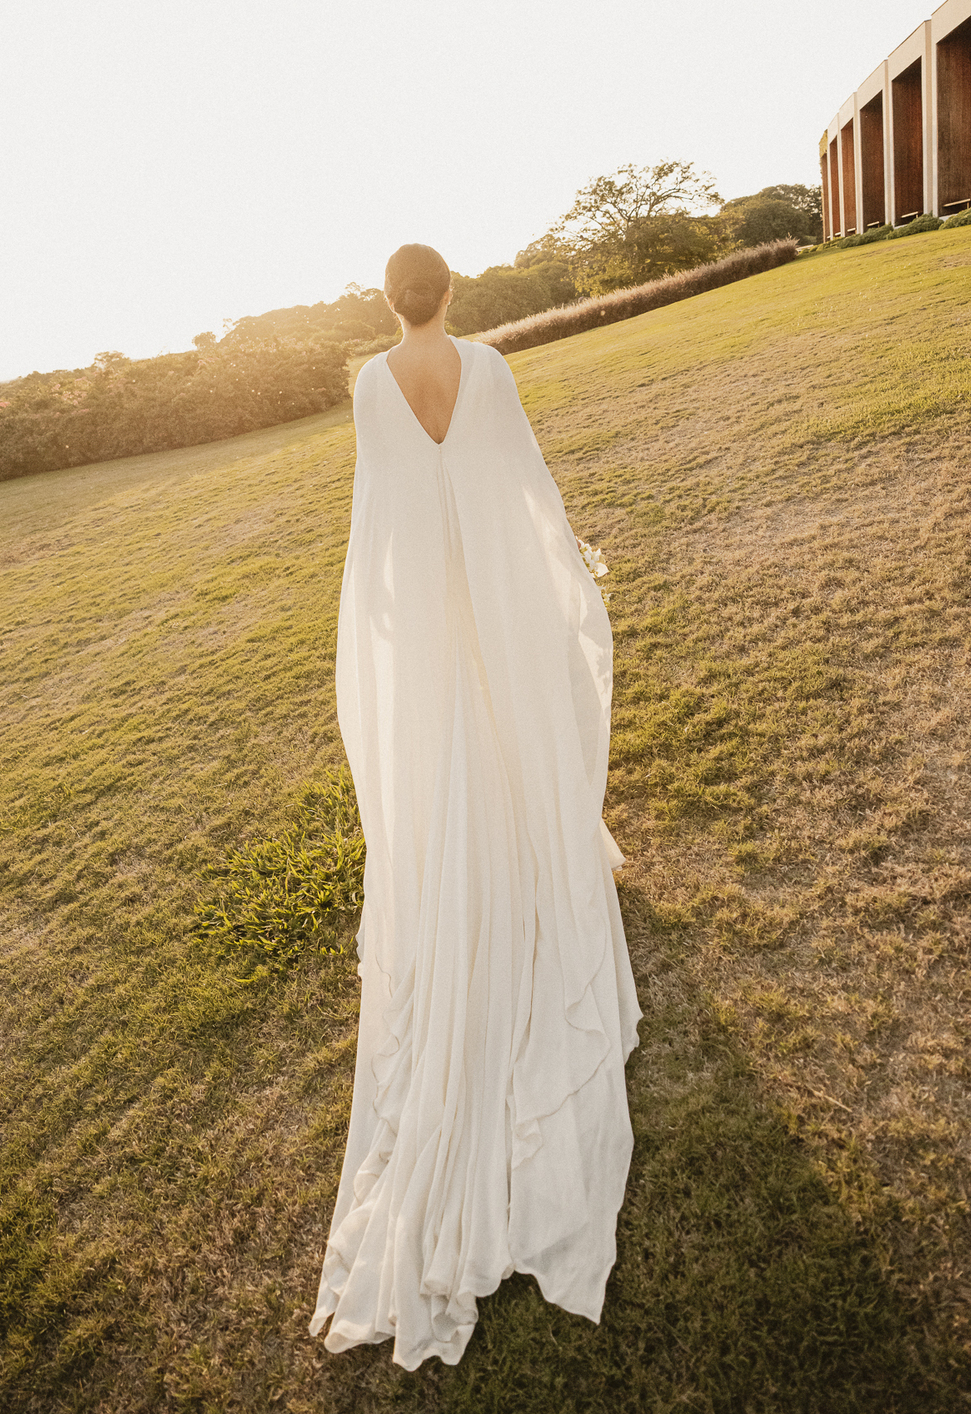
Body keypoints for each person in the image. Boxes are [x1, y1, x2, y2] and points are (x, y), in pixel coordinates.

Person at [309, 242, 641, 1371]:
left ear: (388, 301)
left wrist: (391, 620)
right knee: (510, 744)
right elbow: (521, 486)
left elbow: (379, 520)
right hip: (489, 607)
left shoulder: (371, 383)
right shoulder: (488, 366)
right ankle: (533, 868)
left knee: (460, 761)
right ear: (449, 292)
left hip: (437, 616)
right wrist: (556, 576)